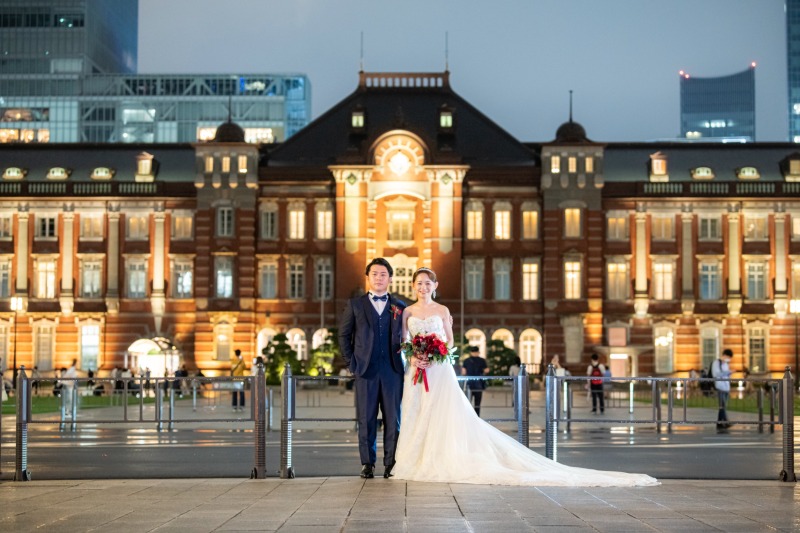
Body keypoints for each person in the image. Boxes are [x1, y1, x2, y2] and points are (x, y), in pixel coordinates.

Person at [392, 267, 658, 487]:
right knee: (416, 411)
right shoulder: (408, 312)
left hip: (438, 372)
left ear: (435, 285)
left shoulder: (442, 311)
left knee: (442, 414)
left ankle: (440, 458)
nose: (423, 287)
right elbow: (404, 342)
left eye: (428, 282)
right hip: (416, 370)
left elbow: (449, 343)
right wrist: (414, 357)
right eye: (419, 283)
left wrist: (437, 355)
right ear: (414, 286)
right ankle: (414, 459)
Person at [338, 258, 406, 479]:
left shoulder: (400, 306)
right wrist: (351, 363)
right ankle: (367, 463)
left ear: (390, 278)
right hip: (364, 371)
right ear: (368, 277)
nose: (379, 278)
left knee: (392, 419)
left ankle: (390, 463)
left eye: (383, 274)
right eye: (375, 274)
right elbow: (344, 336)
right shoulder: (355, 305)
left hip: (393, 371)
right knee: (366, 419)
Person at [462, 345, 489, 416]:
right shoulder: (482, 360)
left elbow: (463, 372)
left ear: (470, 352)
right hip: (478, 383)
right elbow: (486, 370)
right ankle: (477, 417)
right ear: (478, 352)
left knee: (468, 401)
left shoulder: (466, 361)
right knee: (477, 403)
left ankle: (468, 416)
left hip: (469, 383)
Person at [712, 349, 734, 432]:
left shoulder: (725, 364)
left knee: (723, 406)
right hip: (720, 386)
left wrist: (728, 373)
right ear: (724, 355)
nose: (729, 359)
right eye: (728, 357)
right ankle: (725, 422)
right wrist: (728, 372)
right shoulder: (716, 363)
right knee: (722, 405)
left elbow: (726, 375)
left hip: (726, 387)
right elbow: (716, 374)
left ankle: (720, 423)